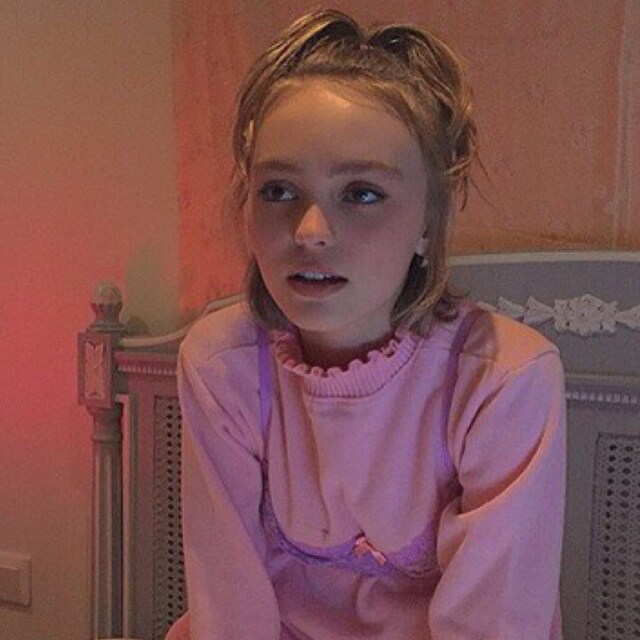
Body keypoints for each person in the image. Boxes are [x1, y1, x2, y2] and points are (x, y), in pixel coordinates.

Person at [170, 8, 566, 639]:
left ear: (429, 223)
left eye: (361, 194)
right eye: (278, 190)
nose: (309, 231)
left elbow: (493, 624)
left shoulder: (503, 380)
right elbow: (230, 605)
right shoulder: (222, 364)